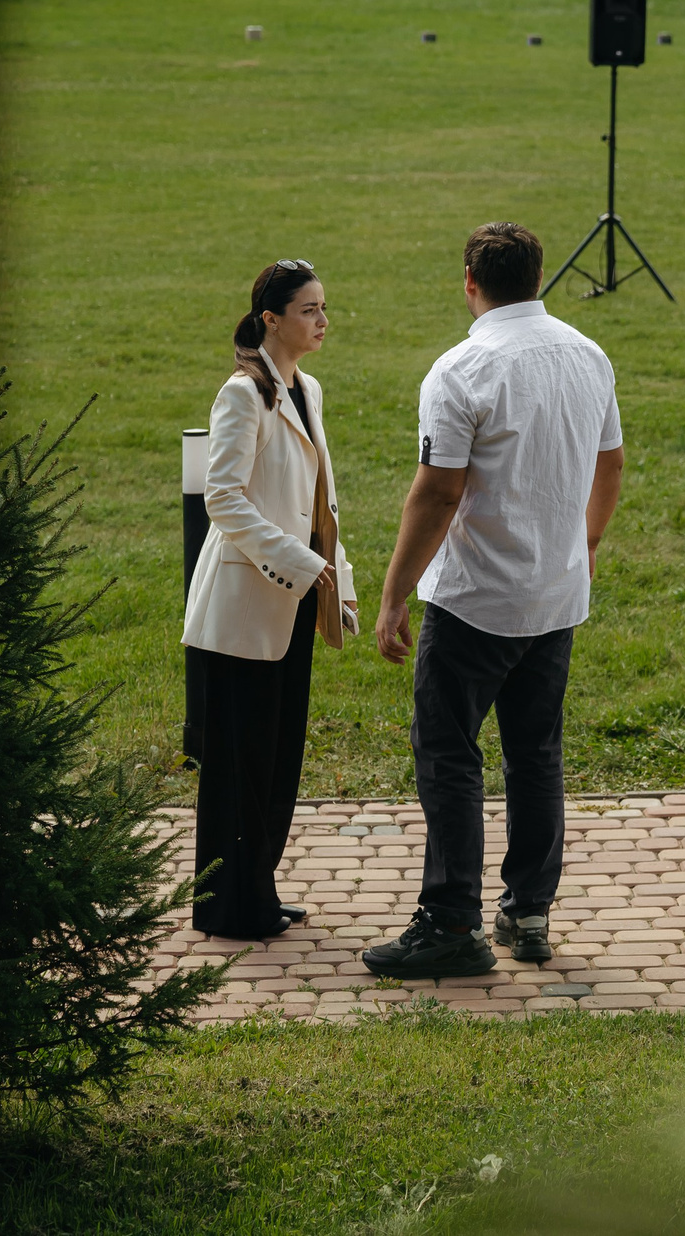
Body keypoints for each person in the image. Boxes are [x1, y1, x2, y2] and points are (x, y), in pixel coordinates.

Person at [362, 223, 626, 980]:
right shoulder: (588, 354)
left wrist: (393, 596)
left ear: (468, 279)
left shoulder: (461, 369)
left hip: (476, 598)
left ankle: (450, 920)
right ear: (537, 276)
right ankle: (530, 910)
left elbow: (437, 491)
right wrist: (588, 543)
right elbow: (611, 461)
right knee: (535, 754)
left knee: (447, 753)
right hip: (555, 592)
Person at [182, 260, 358, 941]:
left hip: (293, 606)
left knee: (277, 759)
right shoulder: (241, 395)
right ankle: (226, 907)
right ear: (271, 320)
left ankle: (258, 890)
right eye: (309, 309)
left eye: (323, 307)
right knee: (239, 766)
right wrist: (301, 563)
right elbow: (223, 498)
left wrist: (333, 576)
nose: (322, 320)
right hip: (245, 611)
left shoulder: (307, 387)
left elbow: (319, 502)